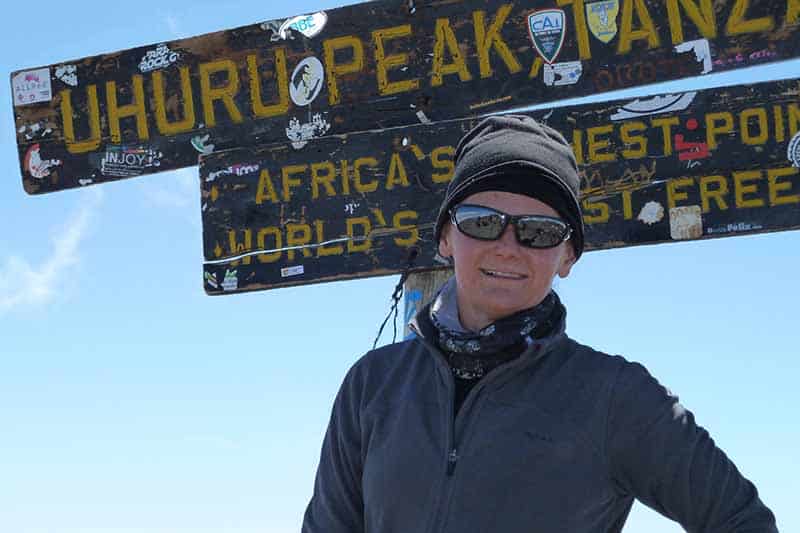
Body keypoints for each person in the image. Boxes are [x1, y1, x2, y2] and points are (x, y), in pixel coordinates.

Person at [301, 115, 778, 532]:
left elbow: (741, 520)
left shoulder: (616, 396)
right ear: (446, 236)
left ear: (568, 256)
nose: (508, 246)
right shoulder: (373, 384)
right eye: (481, 222)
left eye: (538, 231)